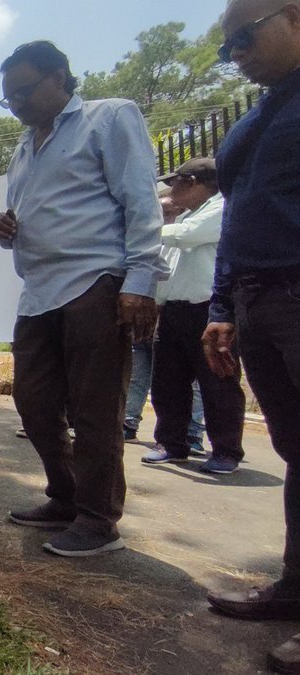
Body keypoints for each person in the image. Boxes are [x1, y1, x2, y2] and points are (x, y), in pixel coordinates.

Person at [0, 41, 168, 557]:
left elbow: (140, 199)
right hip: (39, 289)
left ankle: (98, 518)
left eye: (23, 90)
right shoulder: (24, 148)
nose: (17, 104)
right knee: (34, 400)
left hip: (97, 280)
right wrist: (9, 229)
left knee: (94, 407)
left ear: (61, 77)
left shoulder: (109, 118)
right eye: (9, 98)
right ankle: (66, 497)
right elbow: (32, 212)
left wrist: (140, 281)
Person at [201, 2, 300, 670]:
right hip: (256, 297)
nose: (235, 51)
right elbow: (238, 213)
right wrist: (222, 303)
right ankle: (295, 586)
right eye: (226, 44)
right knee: (296, 449)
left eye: (245, 35)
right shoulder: (261, 114)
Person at [140, 158, 246, 474]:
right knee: (168, 381)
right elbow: (169, 262)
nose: (173, 190)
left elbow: (186, 235)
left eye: (177, 183)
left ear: (193, 182)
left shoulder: (221, 207)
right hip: (175, 311)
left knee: (218, 381)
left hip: (209, 310)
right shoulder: (188, 216)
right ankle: (172, 443)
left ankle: (226, 450)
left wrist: (143, 230)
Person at [124, 195, 207, 454]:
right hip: (149, 313)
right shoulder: (149, 243)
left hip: (182, 312)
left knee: (190, 380)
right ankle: (129, 423)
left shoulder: (182, 236)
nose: (164, 216)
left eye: (170, 211)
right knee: (141, 375)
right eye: (160, 212)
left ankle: (192, 433)